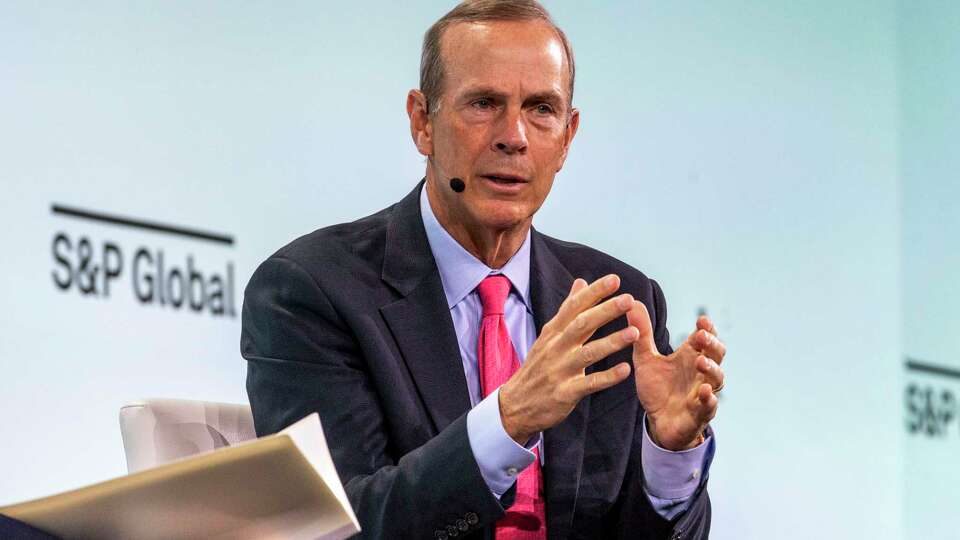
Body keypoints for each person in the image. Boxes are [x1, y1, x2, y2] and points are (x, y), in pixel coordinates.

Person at [242, 1, 727, 539]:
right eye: (484, 103)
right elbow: (335, 527)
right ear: (422, 122)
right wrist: (509, 419)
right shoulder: (312, 291)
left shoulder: (616, 305)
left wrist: (669, 454)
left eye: (541, 109)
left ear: (567, 138)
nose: (513, 136)